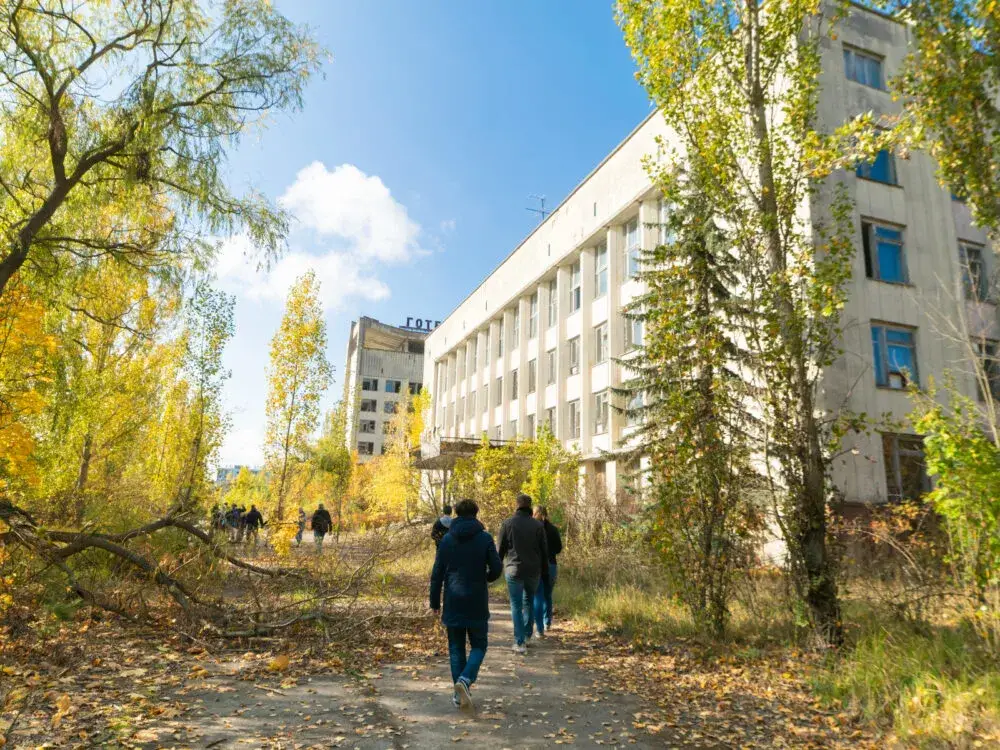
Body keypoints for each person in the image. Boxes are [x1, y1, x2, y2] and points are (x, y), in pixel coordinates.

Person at [429, 498, 502, 711]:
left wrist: (434, 602)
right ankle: (466, 680)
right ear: (476, 513)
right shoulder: (485, 538)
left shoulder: (447, 540)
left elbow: (437, 574)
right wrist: (485, 578)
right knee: (479, 645)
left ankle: (457, 693)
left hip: (453, 599)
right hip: (477, 599)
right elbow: (497, 568)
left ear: (457, 515)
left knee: (455, 648)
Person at [498, 493, 549, 654]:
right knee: (529, 601)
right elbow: (544, 551)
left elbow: (500, 549)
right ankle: (527, 635)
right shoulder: (538, 526)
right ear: (529, 506)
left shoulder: (507, 524)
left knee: (516, 604)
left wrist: (496, 568)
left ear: (516, 505)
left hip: (514, 569)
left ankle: (519, 642)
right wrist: (545, 571)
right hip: (534, 570)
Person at [532, 506, 563, 637]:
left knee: (537, 595)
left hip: (537, 565)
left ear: (536, 514)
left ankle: (539, 626)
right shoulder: (553, 529)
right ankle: (547, 622)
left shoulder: (533, 528)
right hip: (551, 564)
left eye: (534, 513)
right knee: (547, 594)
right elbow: (559, 548)